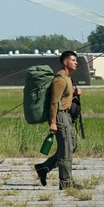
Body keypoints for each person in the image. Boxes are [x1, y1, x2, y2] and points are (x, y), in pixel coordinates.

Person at [34, 50, 82, 190]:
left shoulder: (67, 77)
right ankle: (66, 183)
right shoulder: (60, 79)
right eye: (73, 60)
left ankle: (44, 168)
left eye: (76, 60)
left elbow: (64, 97)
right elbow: (54, 102)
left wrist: (74, 93)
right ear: (65, 62)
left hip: (66, 115)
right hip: (59, 116)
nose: (76, 62)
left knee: (71, 146)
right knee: (66, 151)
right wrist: (53, 122)